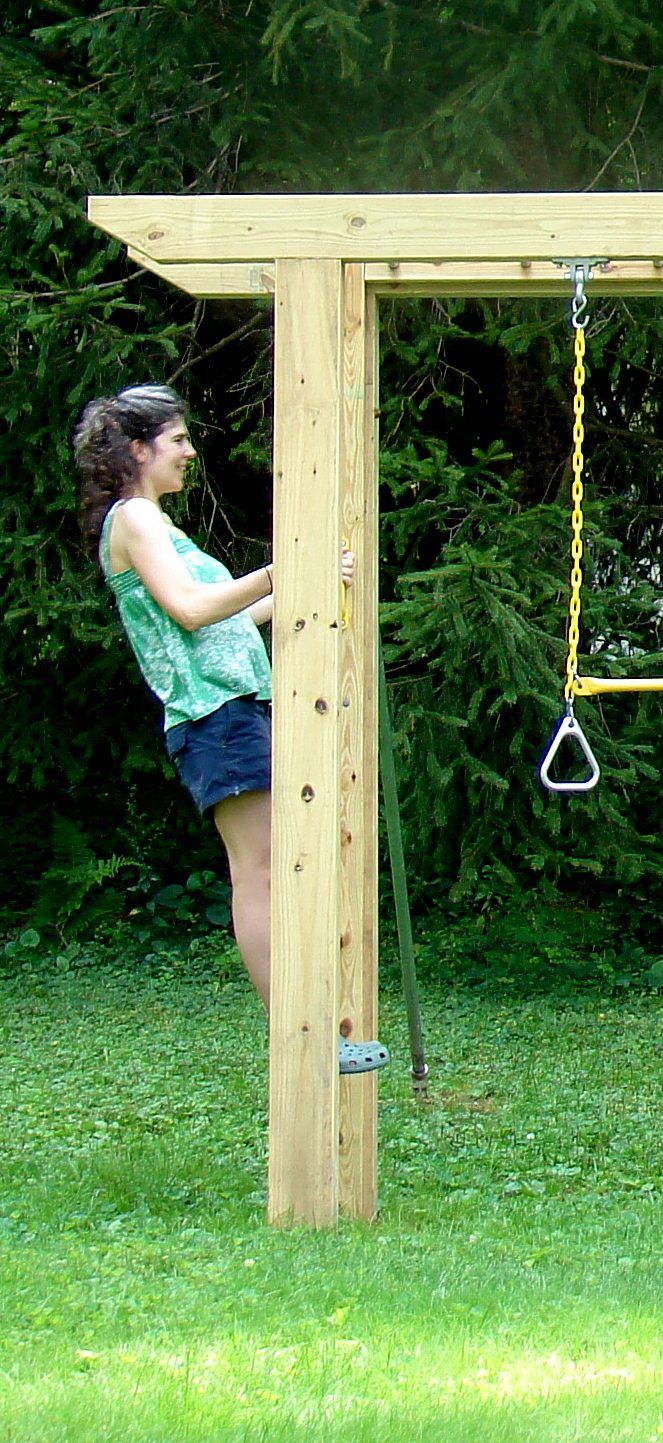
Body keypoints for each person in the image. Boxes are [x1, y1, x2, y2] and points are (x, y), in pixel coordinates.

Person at [74, 384, 388, 1075]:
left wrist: (301, 588)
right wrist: (282, 569)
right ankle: (302, 1040)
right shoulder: (133, 518)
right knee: (261, 872)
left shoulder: (157, 525)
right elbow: (190, 609)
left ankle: (309, 1027)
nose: (188, 451)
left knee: (274, 869)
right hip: (213, 718)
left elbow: (221, 626)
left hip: (231, 710)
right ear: (138, 448)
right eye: (177, 439)